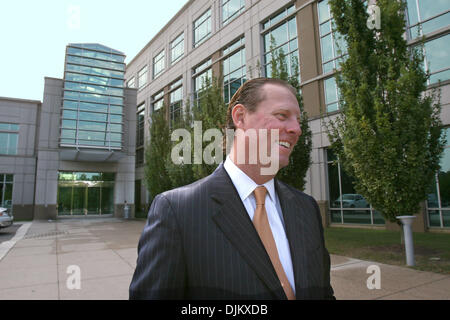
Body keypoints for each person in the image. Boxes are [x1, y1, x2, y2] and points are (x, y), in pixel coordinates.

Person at [129, 78, 335, 300]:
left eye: (298, 120)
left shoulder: (306, 207)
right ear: (240, 117)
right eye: (282, 116)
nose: (296, 129)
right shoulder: (177, 211)